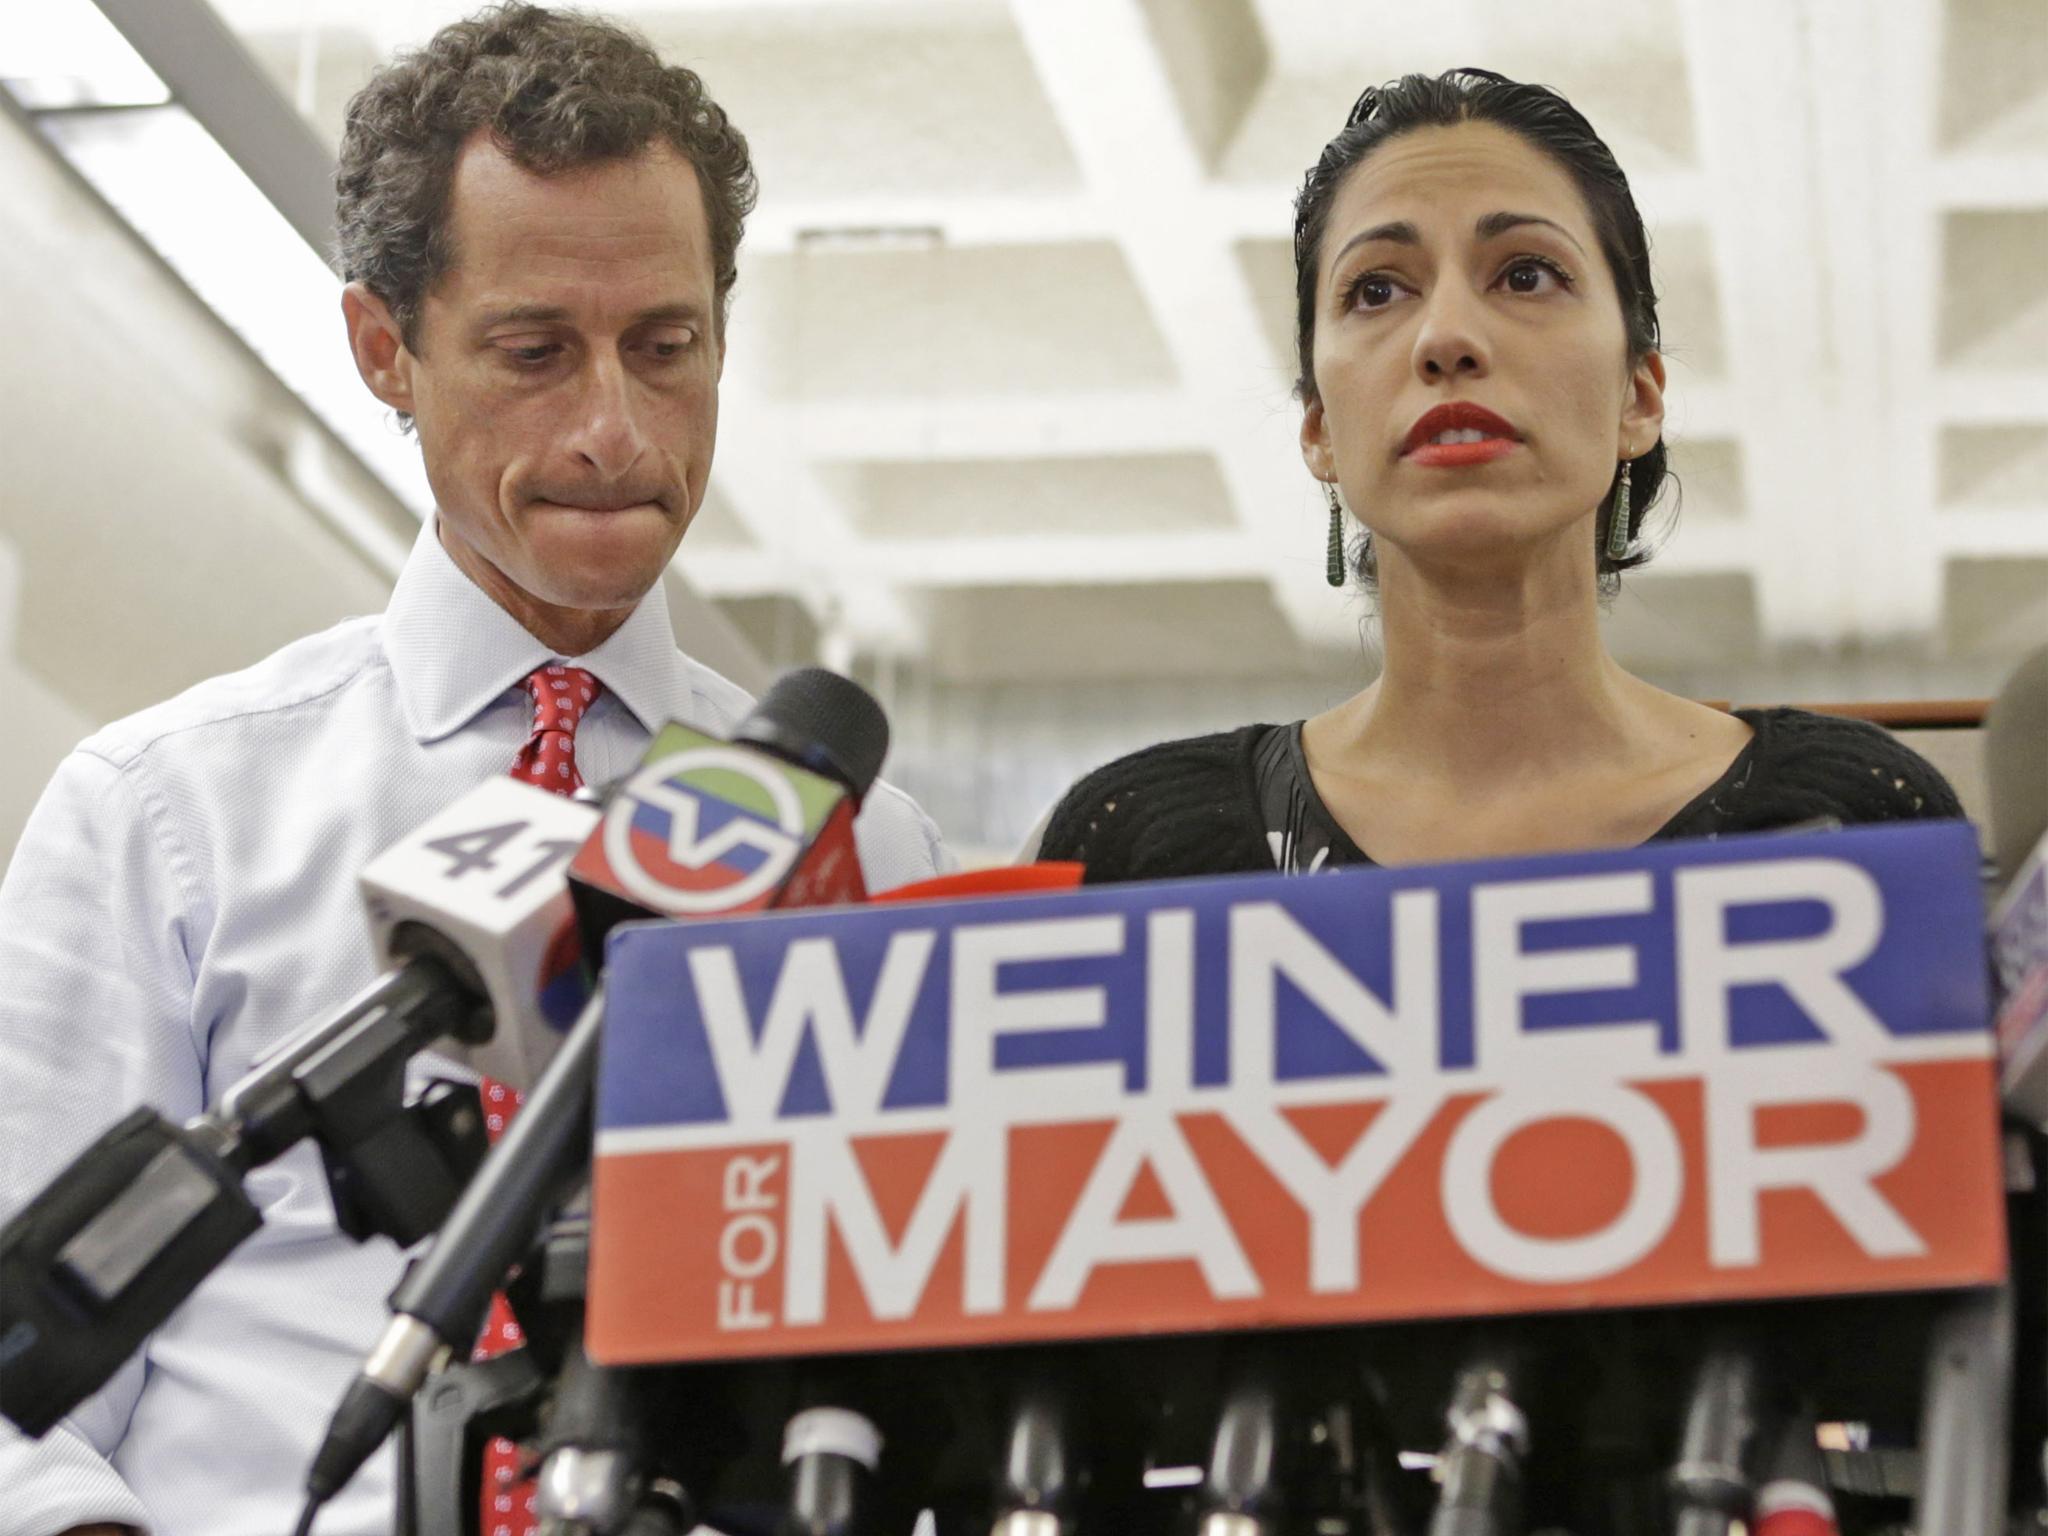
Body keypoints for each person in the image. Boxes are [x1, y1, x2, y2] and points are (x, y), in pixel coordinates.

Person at [0, 8, 948, 1535]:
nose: (613, 431)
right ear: (385, 346)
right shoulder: (161, 815)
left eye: (667, 345)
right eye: (533, 351)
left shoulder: (869, 854)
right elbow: (14, 1393)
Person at [1040, 69, 1959, 882]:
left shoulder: (1851, 823)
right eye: (1376, 289)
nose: (1446, 338)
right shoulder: (1142, 848)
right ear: (1318, 426)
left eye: (1525, 274)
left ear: (1637, 396)